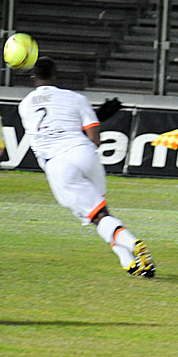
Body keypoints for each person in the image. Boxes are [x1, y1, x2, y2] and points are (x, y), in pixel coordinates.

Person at [18, 57, 155, 277]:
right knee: (101, 213)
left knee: (98, 217)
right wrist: (98, 118)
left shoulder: (24, 106)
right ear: (55, 75)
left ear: (33, 78)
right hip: (85, 154)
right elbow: (95, 138)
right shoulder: (76, 98)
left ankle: (133, 244)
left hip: (58, 164)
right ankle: (130, 263)